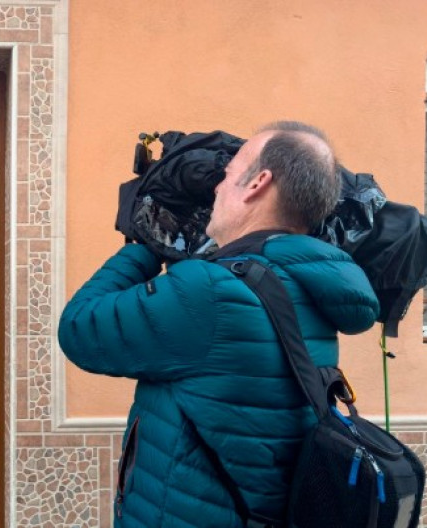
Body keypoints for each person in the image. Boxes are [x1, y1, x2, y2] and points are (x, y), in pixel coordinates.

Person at [58, 121, 381, 527]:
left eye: (227, 176)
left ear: (257, 183)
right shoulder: (311, 283)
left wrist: (141, 246)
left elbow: (78, 329)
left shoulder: (206, 291)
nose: (215, 188)